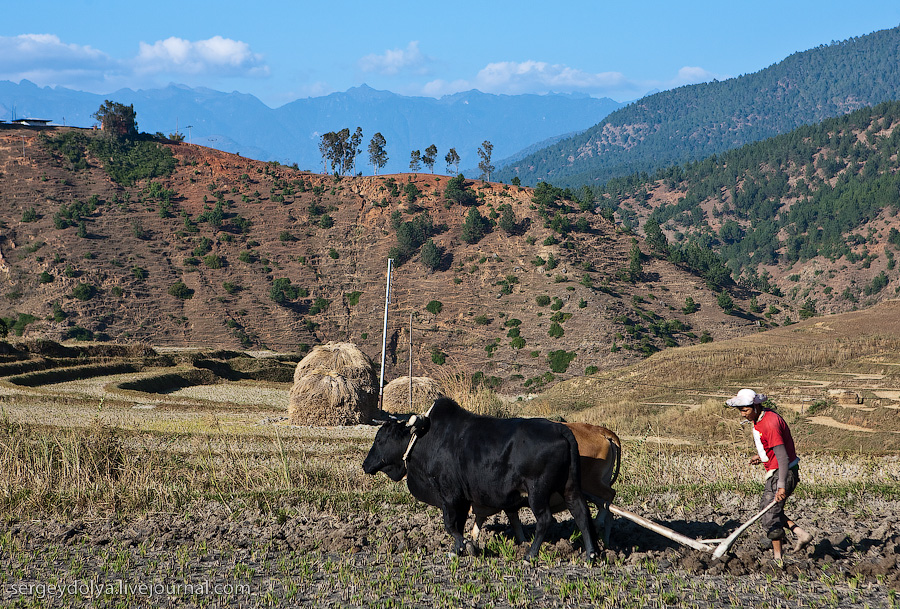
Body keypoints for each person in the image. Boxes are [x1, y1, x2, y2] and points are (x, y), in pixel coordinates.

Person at [726, 389, 813, 562]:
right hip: (779, 470)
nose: (742, 414)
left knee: (770, 515)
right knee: (768, 510)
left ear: (756, 407)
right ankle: (800, 533)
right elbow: (774, 448)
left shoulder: (770, 424)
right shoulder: (761, 419)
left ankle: (778, 559)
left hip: (782, 472)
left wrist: (781, 486)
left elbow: (783, 457)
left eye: (745, 410)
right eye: (740, 410)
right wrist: (762, 456)